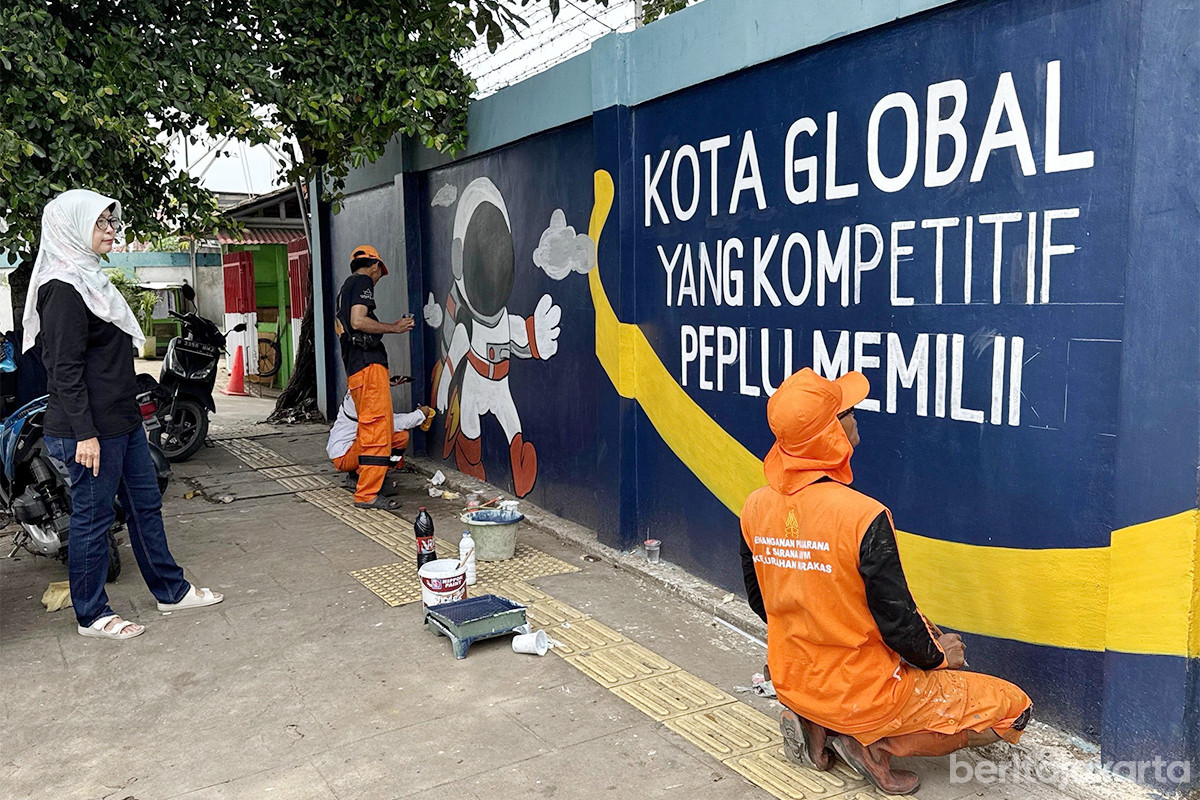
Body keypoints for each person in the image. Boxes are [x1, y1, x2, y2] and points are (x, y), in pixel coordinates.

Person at [740, 368, 1031, 795]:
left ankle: (814, 718)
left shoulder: (754, 506)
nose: (858, 418)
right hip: (866, 694)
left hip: (793, 678)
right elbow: (897, 624)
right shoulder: (863, 516)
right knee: (1015, 710)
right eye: (850, 412)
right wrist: (937, 657)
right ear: (832, 434)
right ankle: (871, 742)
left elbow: (760, 602)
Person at [25, 189, 222, 641]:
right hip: (89, 429)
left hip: (122, 419)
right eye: (101, 223)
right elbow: (64, 370)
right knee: (93, 521)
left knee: (145, 504)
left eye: (112, 222)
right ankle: (92, 614)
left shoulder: (91, 278)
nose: (112, 230)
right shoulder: (63, 289)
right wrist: (85, 435)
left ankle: (170, 591)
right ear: (72, 227)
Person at [334, 245, 415, 510]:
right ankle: (367, 493)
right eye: (380, 272)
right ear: (375, 266)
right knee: (378, 429)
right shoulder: (362, 282)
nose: (379, 278)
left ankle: (365, 482)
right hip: (367, 367)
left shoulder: (345, 289)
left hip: (361, 370)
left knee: (378, 429)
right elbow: (358, 321)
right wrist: (394, 328)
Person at [327, 389, 434, 486]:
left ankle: (366, 473)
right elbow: (389, 424)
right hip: (344, 455)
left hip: (347, 448)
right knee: (393, 438)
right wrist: (420, 414)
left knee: (400, 436)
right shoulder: (366, 398)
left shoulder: (359, 388)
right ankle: (367, 478)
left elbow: (388, 419)